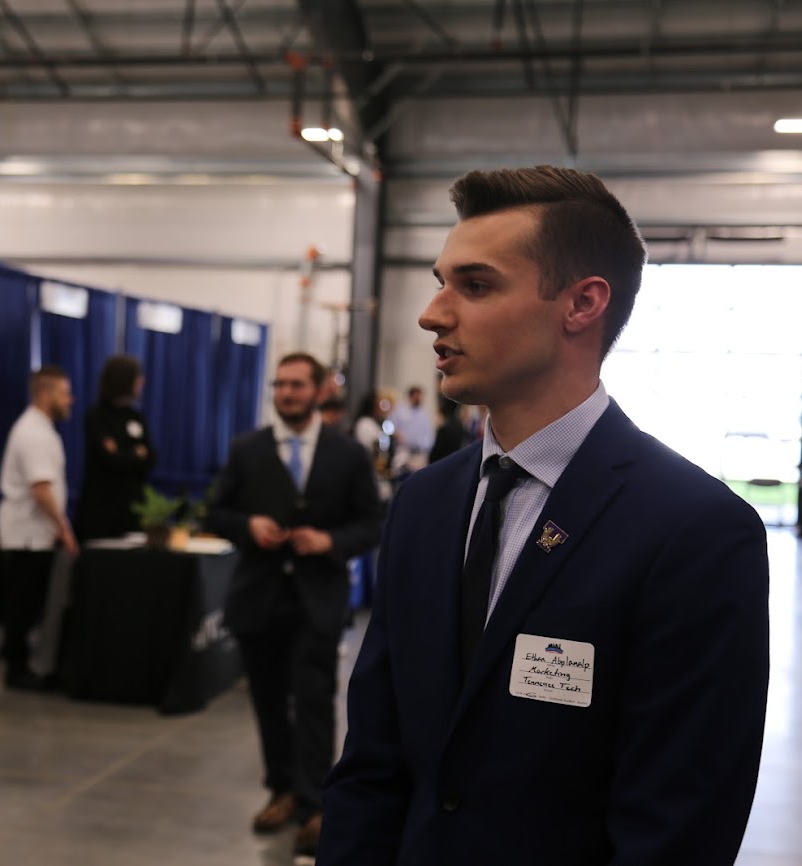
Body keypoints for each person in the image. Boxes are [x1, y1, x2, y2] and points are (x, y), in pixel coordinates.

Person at [319, 166, 770, 866]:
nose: (432, 314)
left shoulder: (694, 531)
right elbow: (373, 762)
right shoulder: (424, 503)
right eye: (441, 282)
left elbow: (676, 827)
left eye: (474, 285)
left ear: (581, 303)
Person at [204, 352, 382, 859]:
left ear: (320, 390)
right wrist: (248, 527)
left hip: (318, 599)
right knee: (267, 701)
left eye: (297, 385)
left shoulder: (347, 455)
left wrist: (329, 541)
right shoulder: (247, 449)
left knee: (315, 701)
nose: (286, 393)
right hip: (258, 599)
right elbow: (216, 511)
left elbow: (371, 523)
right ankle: (281, 789)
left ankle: (314, 803)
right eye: (280, 385)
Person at [0, 365, 78, 690]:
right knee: (22, 604)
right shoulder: (33, 433)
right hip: (27, 535)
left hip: (32, 533)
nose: (69, 400)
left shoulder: (41, 429)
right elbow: (41, 488)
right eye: (63, 392)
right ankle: (17, 670)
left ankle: (22, 665)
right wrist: (64, 527)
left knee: (26, 602)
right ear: (45, 394)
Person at [75, 355, 155, 541]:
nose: (141, 381)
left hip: (132, 512)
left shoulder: (137, 417)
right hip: (101, 514)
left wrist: (123, 454)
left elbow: (151, 458)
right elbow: (110, 460)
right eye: (137, 377)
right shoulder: (96, 416)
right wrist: (135, 454)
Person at [388, 384, 434, 471]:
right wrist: (395, 433)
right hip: (403, 451)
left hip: (419, 454)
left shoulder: (424, 415)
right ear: (410, 396)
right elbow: (388, 426)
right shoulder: (399, 410)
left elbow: (428, 435)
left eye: (420, 397)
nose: (419, 399)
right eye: (417, 397)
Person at [427, 395, 466, 464]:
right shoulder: (460, 426)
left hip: (444, 464)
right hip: (456, 463)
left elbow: (434, 456)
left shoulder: (444, 429)